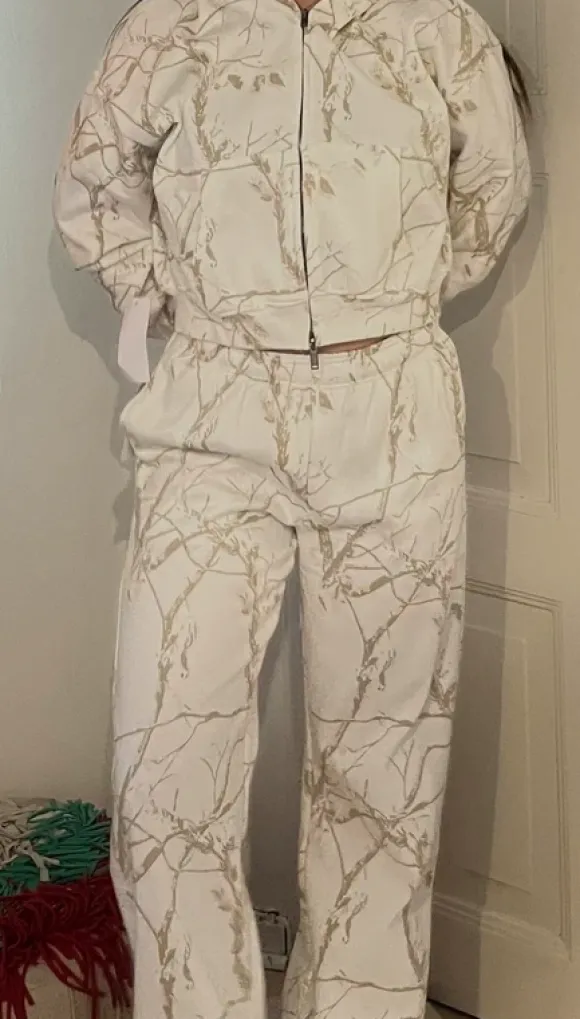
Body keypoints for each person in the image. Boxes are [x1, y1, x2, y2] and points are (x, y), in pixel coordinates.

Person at [53, 1, 531, 1017]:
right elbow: (94, 183)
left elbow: (492, 195)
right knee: (166, 761)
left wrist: (379, 308)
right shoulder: (174, 21)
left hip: (392, 408)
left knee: (384, 771)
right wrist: (184, 299)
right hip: (211, 403)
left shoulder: (436, 25)